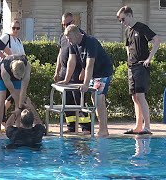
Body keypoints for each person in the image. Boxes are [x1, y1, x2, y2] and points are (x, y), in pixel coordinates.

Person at [60, 24, 113, 137]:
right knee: (95, 98)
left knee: (98, 97)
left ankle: (103, 129)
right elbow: (71, 61)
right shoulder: (74, 43)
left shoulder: (90, 42)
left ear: (77, 35)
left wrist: (85, 83)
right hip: (94, 74)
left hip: (103, 72)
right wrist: (66, 80)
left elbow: (90, 64)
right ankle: (103, 128)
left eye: (70, 39)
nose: (68, 42)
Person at [116, 6, 161, 135]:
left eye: (123, 19)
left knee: (140, 95)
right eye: (120, 20)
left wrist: (149, 59)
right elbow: (127, 47)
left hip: (141, 66)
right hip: (132, 67)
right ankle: (137, 126)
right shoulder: (127, 31)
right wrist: (128, 61)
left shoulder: (142, 28)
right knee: (135, 97)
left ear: (130, 15)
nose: (122, 22)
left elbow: (157, 40)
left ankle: (147, 127)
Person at [54, 12, 91, 134]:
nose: (65, 27)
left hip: (77, 73)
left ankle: (86, 127)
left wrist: (84, 70)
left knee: (79, 100)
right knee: (67, 100)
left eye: (68, 24)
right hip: (65, 72)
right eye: (63, 25)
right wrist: (57, 70)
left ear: (74, 22)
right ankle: (71, 126)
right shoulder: (62, 36)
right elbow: (60, 54)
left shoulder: (80, 35)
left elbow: (86, 55)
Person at [0, 55, 31, 138]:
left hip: (18, 72)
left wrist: (20, 107)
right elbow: (13, 92)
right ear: (12, 71)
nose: (19, 78)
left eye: (21, 77)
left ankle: (18, 128)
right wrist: (19, 107)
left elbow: (23, 91)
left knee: (19, 102)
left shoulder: (27, 67)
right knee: (1, 99)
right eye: (17, 77)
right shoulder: (4, 70)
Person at [0, 20, 26, 124]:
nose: (15, 30)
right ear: (10, 28)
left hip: (18, 71)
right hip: (8, 70)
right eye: (13, 28)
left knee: (16, 94)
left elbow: (23, 55)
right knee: (12, 94)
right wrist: (7, 59)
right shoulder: (6, 37)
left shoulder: (18, 41)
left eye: (17, 28)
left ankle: (5, 116)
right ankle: (1, 116)